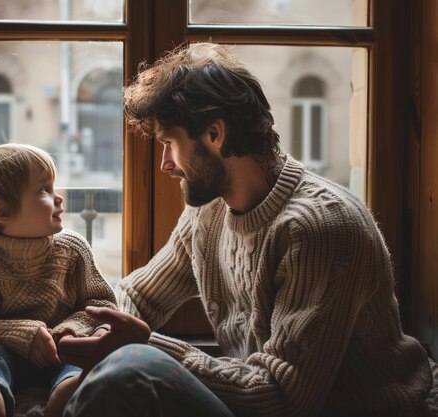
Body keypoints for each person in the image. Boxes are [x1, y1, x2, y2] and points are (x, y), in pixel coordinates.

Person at [57, 43, 433, 417]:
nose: (164, 165)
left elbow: (284, 398)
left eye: (170, 143)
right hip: (260, 397)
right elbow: (139, 295)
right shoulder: (209, 213)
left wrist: (145, 347)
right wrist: (90, 335)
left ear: (215, 134)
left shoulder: (321, 228)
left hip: (341, 409)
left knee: (132, 375)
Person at [0, 143, 117, 417]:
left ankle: (68, 390)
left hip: (63, 351)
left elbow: (102, 303)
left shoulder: (73, 248)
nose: (59, 197)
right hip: (7, 352)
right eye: (44, 190)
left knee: (79, 360)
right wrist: (23, 335)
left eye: (54, 186)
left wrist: (69, 331)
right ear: (1, 212)